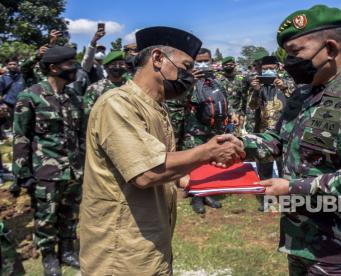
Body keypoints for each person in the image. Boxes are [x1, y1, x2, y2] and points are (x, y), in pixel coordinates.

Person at [236, 5, 341, 274]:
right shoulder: (303, 95)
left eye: (295, 53)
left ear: (331, 49)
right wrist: (241, 146)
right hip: (300, 239)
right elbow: (278, 139)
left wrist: (291, 188)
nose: (288, 63)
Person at [79, 26, 244, 275]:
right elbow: (146, 172)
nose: (190, 76)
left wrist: (194, 180)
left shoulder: (156, 107)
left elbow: (160, 161)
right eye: (186, 67)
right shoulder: (118, 104)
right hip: (121, 252)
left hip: (149, 243)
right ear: (157, 59)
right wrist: (208, 152)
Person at [12, 46, 84, 276]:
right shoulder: (30, 96)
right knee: (46, 216)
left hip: (73, 170)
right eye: (69, 64)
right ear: (53, 68)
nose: (74, 68)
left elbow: (80, 133)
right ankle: (49, 256)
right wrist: (22, 173)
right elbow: (21, 136)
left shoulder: (73, 96)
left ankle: (67, 250)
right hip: (45, 171)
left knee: (69, 213)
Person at [182, 48, 229, 214]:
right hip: (195, 129)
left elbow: (223, 100)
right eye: (199, 61)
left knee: (210, 162)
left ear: (211, 61)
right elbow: (179, 100)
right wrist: (191, 82)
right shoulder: (188, 80)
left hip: (215, 128)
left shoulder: (218, 81)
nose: (203, 64)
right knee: (195, 163)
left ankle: (207, 193)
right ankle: (197, 197)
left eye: (206, 61)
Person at [249, 55, 293, 211]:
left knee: (285, 170)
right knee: (265, 170)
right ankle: (267, 201)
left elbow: (298, 100)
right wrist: (255, 91)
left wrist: (284, 87)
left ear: (278, 68)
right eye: (265, 69)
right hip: (265, 135)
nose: (268, 71)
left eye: (271, 68)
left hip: (285, 134)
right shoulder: (258, 86)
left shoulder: (288, 82)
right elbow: (252, 106)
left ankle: (285, 201)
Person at [83, 50, 127, 126]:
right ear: (106, 68)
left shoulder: (131, 85)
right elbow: (87, 114)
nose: (118, 67)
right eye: (113, 64)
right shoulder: (94, 88)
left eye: (121, 64)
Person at [217, 56, 248, 133]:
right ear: (222, 66)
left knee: (237, 139)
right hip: (223, 115)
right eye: (226, 65)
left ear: (234, 65)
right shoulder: (218, 81)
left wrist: (242, 115)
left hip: (237, 116)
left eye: (231, 64)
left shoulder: (240, 80)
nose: (229, 66)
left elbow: (244, 98)